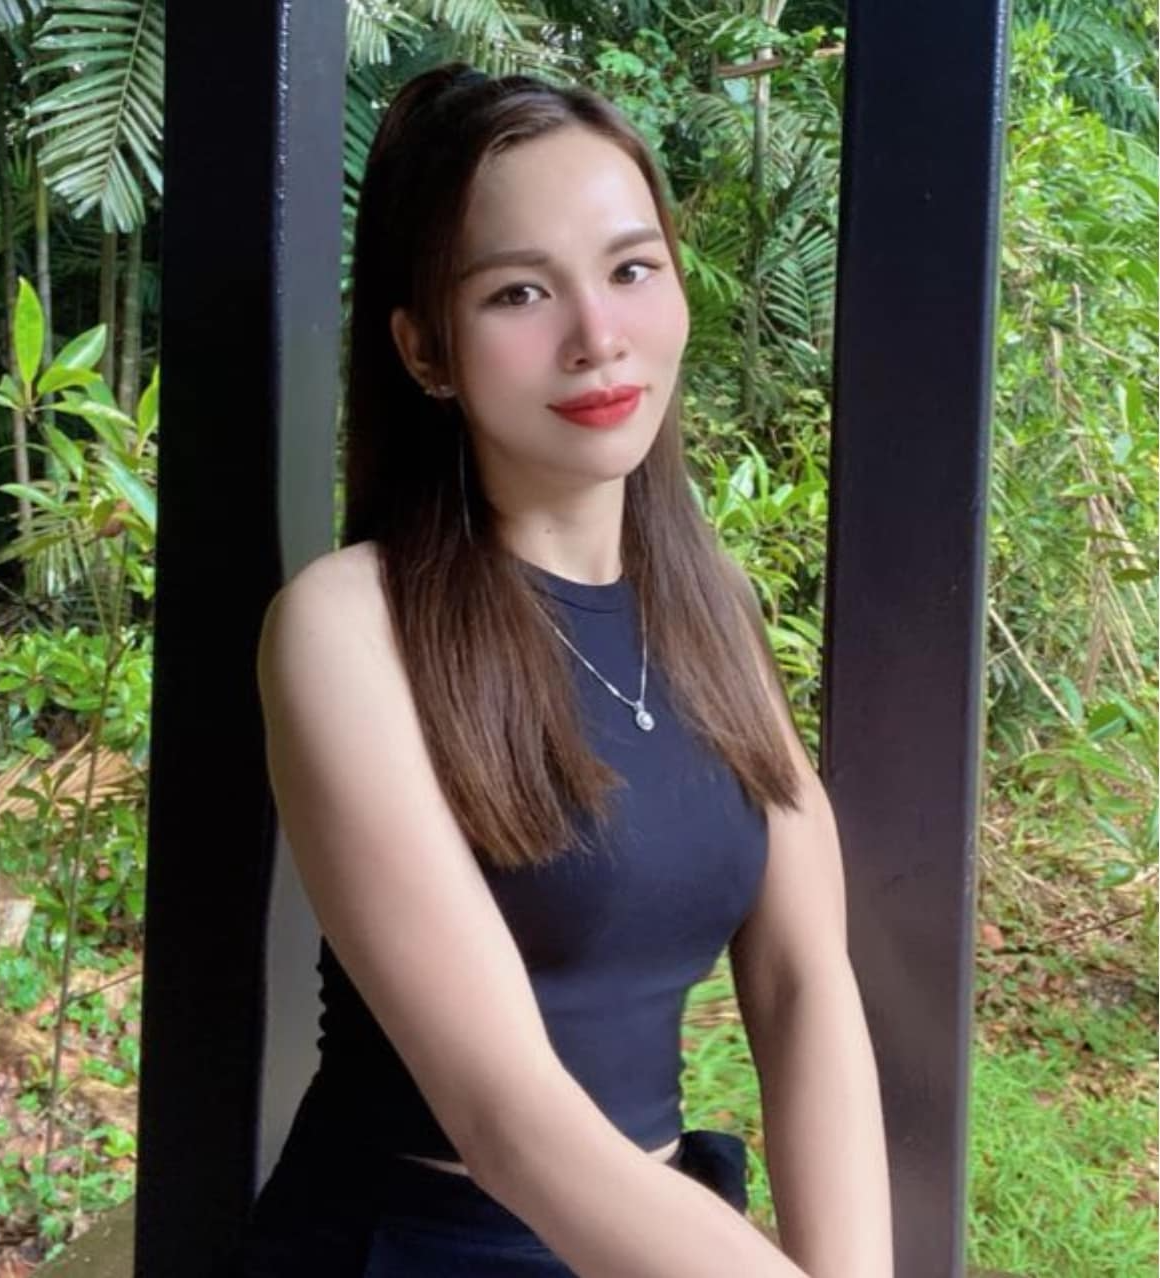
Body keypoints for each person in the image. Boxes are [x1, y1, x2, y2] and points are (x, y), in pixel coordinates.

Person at [236, 62, 892, 1278]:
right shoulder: (348, 627)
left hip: (659, 1237)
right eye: (520, 292)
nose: (597, 337)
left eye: (631, 269)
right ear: (425, 351)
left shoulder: (711, 606)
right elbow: (509, 1121)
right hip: (422, 1247)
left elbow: (805, 983)